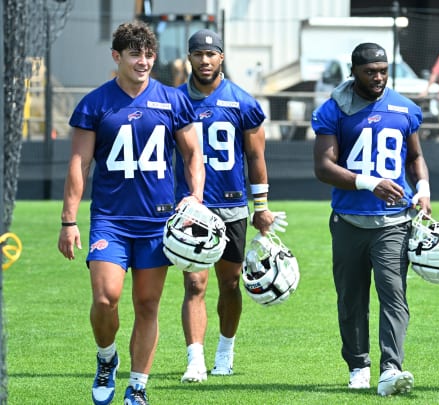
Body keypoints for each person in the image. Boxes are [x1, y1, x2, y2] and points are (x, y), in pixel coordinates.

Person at [57, 21, 204, 405]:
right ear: (116, 56)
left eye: (149, 54)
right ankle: (107, 358)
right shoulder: (95, 103)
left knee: (148, 304)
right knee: (106, 298)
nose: (143, 61)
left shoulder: (173, 100)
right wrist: (68, 220)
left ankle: (137, 387)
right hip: (111, 219)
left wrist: (195, 196)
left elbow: (192, 154)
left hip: (158, 221)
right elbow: (79, 163)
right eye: (135, 54)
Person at [311, 42, 432, 397]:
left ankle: (391, 367)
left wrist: (422, 187)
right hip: (349, 218)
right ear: (354, 71)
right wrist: (368, 183)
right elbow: (323, 167)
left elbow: (415, 156)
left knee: (394, 294)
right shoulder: (335, 109)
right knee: (351, 298)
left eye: (382, 71)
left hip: (394, 221)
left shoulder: (405, 108)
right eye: (370, 72)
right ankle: (358, 365)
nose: (378, 78)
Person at [175, 29, 278, 383]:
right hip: (191, 207)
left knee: (230, 285)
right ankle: (195, 360)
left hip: (233, 205)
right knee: (194, 285)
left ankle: (225, 352)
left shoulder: (242, 101)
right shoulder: (175, 101)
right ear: (189, 58)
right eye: (198, 54)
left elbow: (256, 155)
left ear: (221, 57)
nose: (205, 61)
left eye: (211, 54)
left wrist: (261, 206)